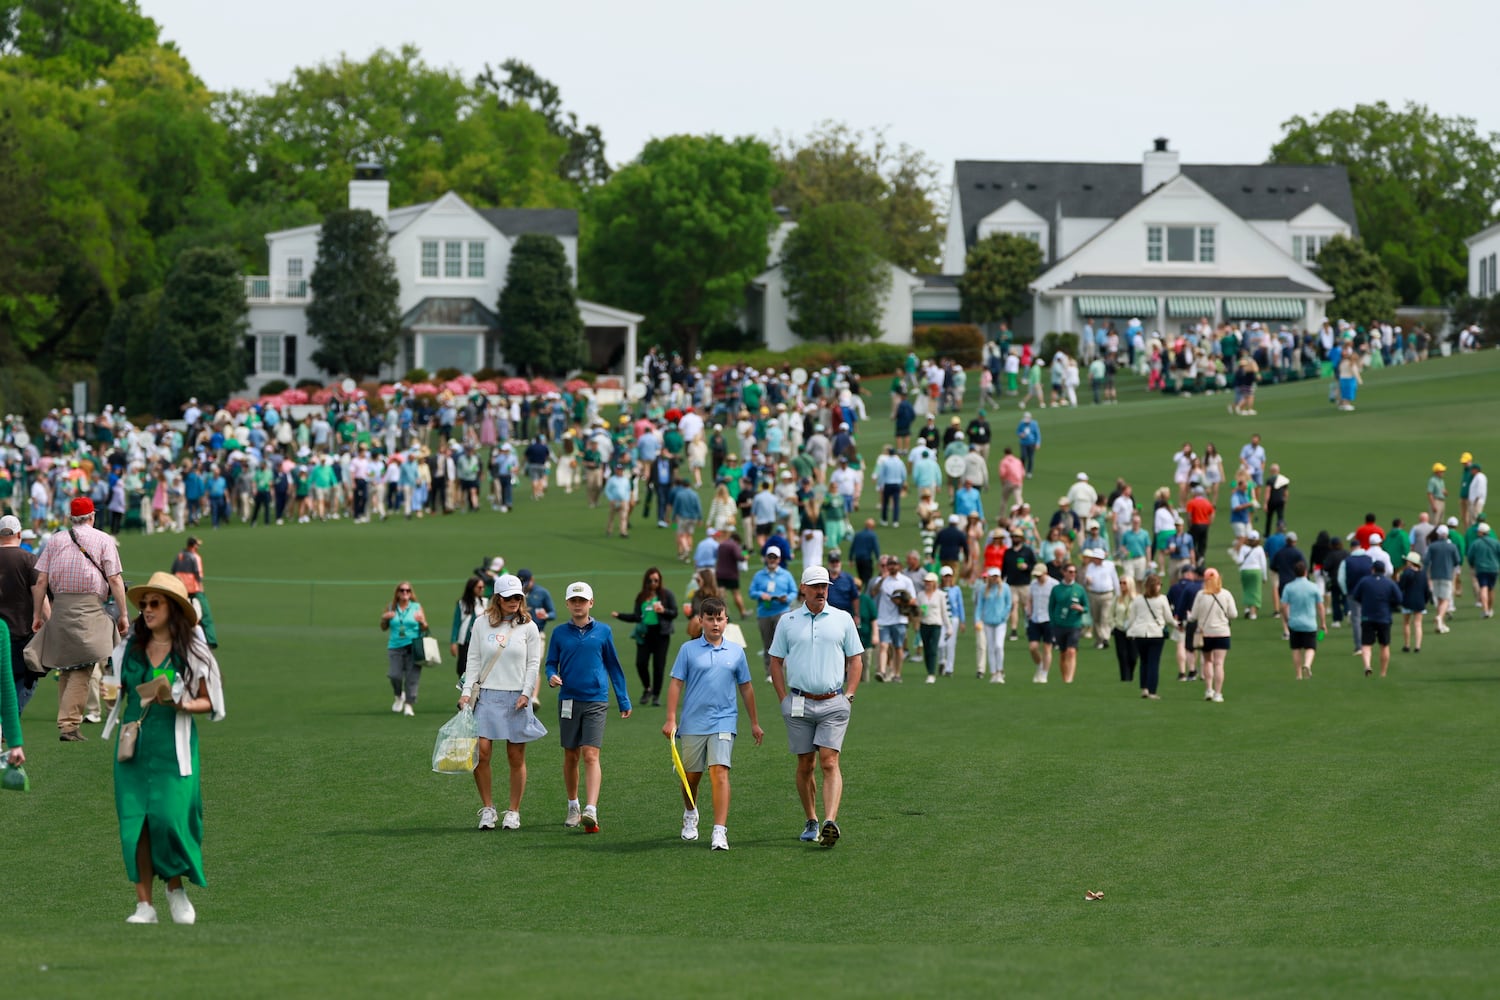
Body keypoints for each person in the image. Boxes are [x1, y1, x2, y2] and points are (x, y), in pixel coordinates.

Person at [100, 572, 225, 924]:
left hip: (174, 746)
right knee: (135, 824)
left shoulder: (193, 652)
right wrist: (107, 693)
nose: (147, 610)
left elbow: (212, 702)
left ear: (173, 609)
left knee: (169, 819)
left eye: (155, 603)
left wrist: (182, 704)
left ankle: (174, 887)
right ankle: (144, 905)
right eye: (144, 604)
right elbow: (113, 685)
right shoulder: (128, 647)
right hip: (134, 747)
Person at [768, 565, 864, 848]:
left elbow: (856, 658)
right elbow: (775, 661)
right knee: (805, 764)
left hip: (833, 701)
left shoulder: (842, 618)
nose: (822, 591)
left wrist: (849, 694)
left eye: (825, 586)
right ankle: (811, 818)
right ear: (803, 589)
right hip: (798, 702)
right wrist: (783, 698)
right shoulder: (788, 621)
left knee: (829, 761)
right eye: (816, 586)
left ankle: (829, 821)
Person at [662, 596, 764, 851]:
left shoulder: (736, 652)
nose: (715, 624)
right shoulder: (688, 650)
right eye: (710, 619)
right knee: (691, 778)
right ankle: (690, 814)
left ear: (726, 621)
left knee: (719, 772)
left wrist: (754, 722)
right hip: (693, 723)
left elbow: (747, 687)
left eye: (720, 619)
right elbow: (676, 683)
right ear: (701, 621)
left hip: (724, 721)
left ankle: (719, 831)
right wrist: (671, 718)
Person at [31, 497, 129, 741]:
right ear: (92, 516)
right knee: (84, 664)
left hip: (61, 607)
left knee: (67, 666)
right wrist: (124, 613)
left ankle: (67, 722)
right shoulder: (104, 539)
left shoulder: (55, 540)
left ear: (70, 518)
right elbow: (115, 579)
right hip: (90, 606)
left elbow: (41, 581)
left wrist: (37, 614)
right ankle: (69, 725)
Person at [459, 574, 545, 831]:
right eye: (509, 597)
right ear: (498, 598)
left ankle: (514, 811)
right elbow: (473, 660)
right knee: (481, 753)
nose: (514, 601)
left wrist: (527, 693)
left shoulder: (529, 626)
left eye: (518, 597)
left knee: (515, 756)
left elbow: (533, 664)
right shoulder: (481, 623)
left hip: (516, 696)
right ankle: (488, 808)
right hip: (486, 695)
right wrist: (466, 692)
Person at [546, 581, 632, 833]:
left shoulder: (604, 631)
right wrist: (551, 676)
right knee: (571, 754)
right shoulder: (559, 633)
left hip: (596, 699)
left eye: (582, 601)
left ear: (591, 603)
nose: (577, 605)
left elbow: (614, 666)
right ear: (567, 604)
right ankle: (573, 804)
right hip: (569, 700)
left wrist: (623, 698)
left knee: (590, 754)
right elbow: (551, 663)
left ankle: (591, 809)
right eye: (573, 601)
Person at [611, 567, 679, 707]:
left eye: (656, 580)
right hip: (644, 634)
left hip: (661, 635)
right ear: (646, 581)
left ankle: (656, 695)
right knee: (641, 663)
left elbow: (674, 613)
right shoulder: (641, 597)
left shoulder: (666, 595)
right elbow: (636, 617)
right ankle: (647, 688)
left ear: (660, 581)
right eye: (650, 580)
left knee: (658, 666)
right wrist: (620, 616)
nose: (653, 583)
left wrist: (663, 610)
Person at [0, 514, 40, 713]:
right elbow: (39, 596)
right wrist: (47, 623)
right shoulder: (29, 559)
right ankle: (8, 722)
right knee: (26, 680)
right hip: (21, 632)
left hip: (2, 631)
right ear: (18, 534)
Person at [1187, 568, 1238, 703]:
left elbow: (1193, 616)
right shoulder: (1226, 594)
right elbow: (1233, 614)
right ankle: (1218, 693)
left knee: (1208, 661)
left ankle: (1209, 689)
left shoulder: (1201, 595)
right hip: (1222, 632)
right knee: (1219, 663)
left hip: (1206, 633)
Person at [380, 581, 427, 717]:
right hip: (395, 646)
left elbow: (425, 627)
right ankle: (398, 695)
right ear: (397, 593)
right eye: (402, 590)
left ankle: (409, 704)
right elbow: (383, 627)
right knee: (395, 675)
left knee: (412, 677)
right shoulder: (391, 607)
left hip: (413, 646)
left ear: (411, 593)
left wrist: (422, 622)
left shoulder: (416, 607)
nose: (405, 593)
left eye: (408, 591)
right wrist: (384, 619)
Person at [1348, 561, 1402, 677]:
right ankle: (1383, 672)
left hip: (1367, 617)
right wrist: (1390, 605)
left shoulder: (1364, 581)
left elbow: (1356, 596)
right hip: (1384, 617)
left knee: (1366, 644)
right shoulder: (1389, 583)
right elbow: (1399, 598)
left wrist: (1365, 602)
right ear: (1384, 570)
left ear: (1372, 569)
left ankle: (1367, 665)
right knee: (1384, 645)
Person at [749, 549, 797, 679]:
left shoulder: (786, 575)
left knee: (781, 642)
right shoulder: (759, 575)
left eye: (774, 558)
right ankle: (770, 672)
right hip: (764, 612)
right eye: (770, 557)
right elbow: (751, 592)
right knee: (767, 644)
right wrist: (761, 595)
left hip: (782, 611)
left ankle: (783, 669)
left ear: (779, 559)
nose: (772, 560)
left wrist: (786, 598)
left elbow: (794, 591)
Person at [1124, 573, 1172, 699]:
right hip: (1155, 633)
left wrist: (1127, 629)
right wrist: (1176, 624)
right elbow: (1168, 618)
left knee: (1144, 661)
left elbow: (1131, 618)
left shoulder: (1138, 599)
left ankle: (1144, 688)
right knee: (1153, 663)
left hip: (1140, 633)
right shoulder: (1162, 599)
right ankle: (1152, 691)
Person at [1279, 561, 1326, 680]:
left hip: (1294, 622)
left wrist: (1286, 619)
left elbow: (1283, 606)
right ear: (1305, 572)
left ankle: (1298, 675)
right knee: (1310, 647)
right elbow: (1320, 606)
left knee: (1296, 649)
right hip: (1310, 623)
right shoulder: (1313, 587)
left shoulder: (1289, 587)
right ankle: (1307, 664)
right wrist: (1323, 623)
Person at [169, 536, 217, 649]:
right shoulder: (195, 557)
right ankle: (210, 640)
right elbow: (198, 575)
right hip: (194, 589)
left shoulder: (180, 555)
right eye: (197, 544)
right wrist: (201, 589)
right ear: (193, 545)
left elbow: (173, 570)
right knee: (205, 615)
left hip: (180, 589)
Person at [1047, 563, 1088, 683]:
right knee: (1063, 653)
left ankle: (1070, 679)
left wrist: (1081, 609)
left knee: (1072, 651)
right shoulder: (1056, 589)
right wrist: (1053, 622)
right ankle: (1065, 678)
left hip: (1074, 624)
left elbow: (1086, 607)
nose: (1072, 574)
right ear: (1063, 572)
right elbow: (1051, 607)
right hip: (1059, 625)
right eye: (1070, 572)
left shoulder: (1079, 589)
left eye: (1074, 572)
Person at [915, 572, 951, 684]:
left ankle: (932, 673)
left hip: (936, 624)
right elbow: (917, 611)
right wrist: (918, 618)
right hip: (924, 624)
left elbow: (944, 612)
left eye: (929, 582)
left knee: (933, 647)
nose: (927, 584)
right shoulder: (921, 595)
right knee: (926, 648)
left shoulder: (940, 595)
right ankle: (929, 670)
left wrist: (949, 627)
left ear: (934, 583)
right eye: (926, 582)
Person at [1424, 525, 1460, 633]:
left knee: (1439, 599)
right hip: (1447, 575)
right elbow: (1457, 560)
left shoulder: (1432, 546)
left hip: (1435, 575)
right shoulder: (1452, 546)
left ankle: (1441, 624)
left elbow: (1426, 561)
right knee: (1446, 599)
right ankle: (1440, 617)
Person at [449, 575, 486, 682]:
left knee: (478, 667)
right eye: (479, 587)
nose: (482, 590)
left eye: (483, 587)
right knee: (462, 668)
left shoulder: (484, 602)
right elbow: (456, 623)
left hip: (480, 641)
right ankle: (465, 692)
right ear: (472, 588)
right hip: (465, 641)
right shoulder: (462, 603)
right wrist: (453, 642)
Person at [1396, 552, 1431, 654]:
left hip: (1407, 601)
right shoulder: (1423, 574)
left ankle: (1407, 645)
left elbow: (1400, 587)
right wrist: (1426, 600)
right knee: (1418, 624)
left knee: (1406, 623)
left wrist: (1398, 580)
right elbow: (1426, 590)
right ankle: (1417, 646)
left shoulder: (1406, 573)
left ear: (1411, 562)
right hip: (1420, 601)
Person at [1467, 522, 1500, 618]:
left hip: (1481, 568)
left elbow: (1470, 557)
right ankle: (1490, 609)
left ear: (1481, 532)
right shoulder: (1496, 542)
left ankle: (1485, 609)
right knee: (1491, 589)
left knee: (1483, 587)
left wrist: (1472, 565)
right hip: (1494, 568)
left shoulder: (1476, 543)